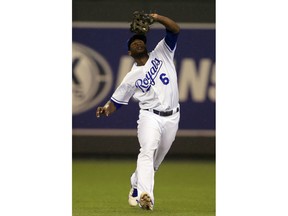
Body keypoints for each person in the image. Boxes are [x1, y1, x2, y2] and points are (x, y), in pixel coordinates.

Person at [96, 13, 180, 210]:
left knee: (155, 164)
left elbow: (175, 29)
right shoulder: (132, 76)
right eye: (134, 43)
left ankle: (135, 182)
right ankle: (145, 195)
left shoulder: (163, 52)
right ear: (129, 52)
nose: (138, 43)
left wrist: (157, 17)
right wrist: (107, 109)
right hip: (149, 116)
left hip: (172, 117)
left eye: (141, 41)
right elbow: (117, 100)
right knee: (146, 152)